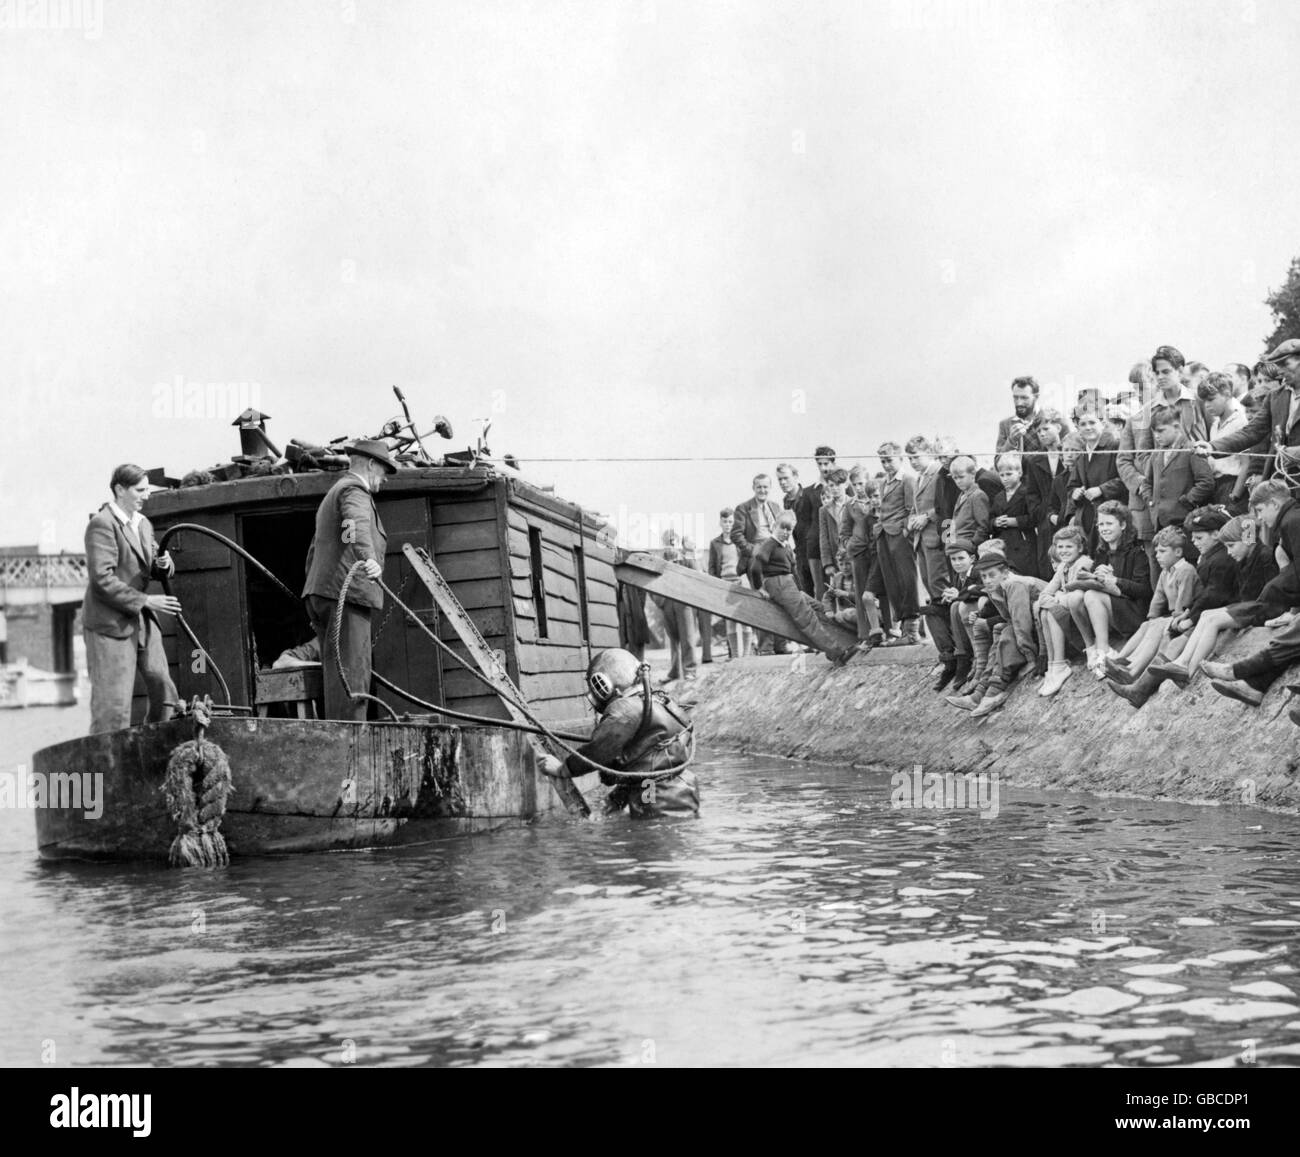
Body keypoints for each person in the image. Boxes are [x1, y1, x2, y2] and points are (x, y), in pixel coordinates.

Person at [538, 648, 699, 818]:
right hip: (684, 793)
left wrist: (563, 769)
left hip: (655, 800)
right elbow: (648, 765)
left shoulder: (625, 709)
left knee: (647, 839)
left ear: (603, 686)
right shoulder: (662, 702)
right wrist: (613, 802)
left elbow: (598, 751)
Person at [83, 463, 182, 734]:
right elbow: (102, 580)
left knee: (164, 689)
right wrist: (147, 601)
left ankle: (151, 754)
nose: (146, 495)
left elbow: (154, 564)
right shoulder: (101, 525)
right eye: (140, 490)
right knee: (113, 708)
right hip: (109, 624)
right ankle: (107, 771)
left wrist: (164, 563)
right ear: (119, 490)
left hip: (141, 621)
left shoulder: (143, 523)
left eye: (147, 489)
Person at [302, 438, 396, 721]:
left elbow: (317, 549)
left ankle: (342, 740)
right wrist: (368, 556)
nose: (384, 480)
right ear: (370, 465)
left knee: (338, 674)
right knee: (353, 674)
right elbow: (354, 522)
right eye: (383, 471)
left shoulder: (335, 492)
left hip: (326, 592)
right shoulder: (354, 490)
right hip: (347, 593)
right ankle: (351, 745)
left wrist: (316, 588)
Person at [1143, 514, 1277, 689]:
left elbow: (1271, 592)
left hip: (1262, 608)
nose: (1229, 552)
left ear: (1248, 539)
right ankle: (1182, 664)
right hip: (1249, 606)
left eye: (1231, 546)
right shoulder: (1243, 558)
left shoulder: (1265, 555)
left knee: (1213, 620)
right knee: (1206, 615)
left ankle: (1188, 670)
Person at [1102, 525, 1200, 707]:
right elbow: (1158, 597)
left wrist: (1172, 619)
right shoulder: (1165, 572)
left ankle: (1133, 669)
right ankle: (1120, 661)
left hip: (1183, 616)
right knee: (1146, 625)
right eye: (1156, 552)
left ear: (1178, 551)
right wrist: (1153, 616)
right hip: (1173, 616)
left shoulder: (1186, 570)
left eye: (1163, 551)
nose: (1157, 555)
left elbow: (1184, 599)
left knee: (1157, 627)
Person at [749, 512, 854, 664]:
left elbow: (793, 571)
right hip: (776, 582)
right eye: (782, 528)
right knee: (806, 618)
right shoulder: (770, 543)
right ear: (774, 527)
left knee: (819, 607)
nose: (785, 532)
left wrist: (800, 590)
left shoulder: (785, 547)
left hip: (788, 584)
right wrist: (760, 588)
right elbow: (755, 567)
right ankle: (836, 652)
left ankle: (848, 638)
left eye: (789, 529)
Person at [1066, 500, 1152, 678]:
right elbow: (1095, 581)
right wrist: (1095, 575)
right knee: (1077, 596)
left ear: (1123, 525)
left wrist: (1115, 580)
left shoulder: (1137, 552)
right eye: (1101, 524)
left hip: (1134, 613)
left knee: (1091, 595)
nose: (1104, 528)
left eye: (1109, 523)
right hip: (1112, 610)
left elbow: (1144, 590)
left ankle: (1104, 651)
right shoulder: (1102, 552)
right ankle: (1093, 648)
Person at [1035, 525, 1093, 696]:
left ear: (1079, 548)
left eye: (1069, 546)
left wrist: (1057, 596)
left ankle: (1059, 664)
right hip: (1070, 614)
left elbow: (1075, 594)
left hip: (1084, 619)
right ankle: (1053, 666)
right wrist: (1053, 597)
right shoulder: (1062, 566)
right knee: (1045, 611)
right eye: (1060, 547)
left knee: (1052, 611)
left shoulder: (1084, 563)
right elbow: (1046, 592)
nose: (1064, 551)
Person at [731, 473, 784, 655]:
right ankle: (766, 648)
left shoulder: (776, 507)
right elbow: (736, 535)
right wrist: (753, 550)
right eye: (759, 487)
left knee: (780, 598)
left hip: (776, 556)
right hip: (756, 560)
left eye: (766, 487)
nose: (762, 490)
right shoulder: (743, 508)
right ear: (754, 488)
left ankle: (781, 644)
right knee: (763, 601)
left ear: (770, 488)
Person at [919, 538, 981, 691]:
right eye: (953, 559)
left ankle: (964, 658)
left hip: (976, 613)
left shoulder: (977, 571)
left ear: (972, 558)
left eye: (961, 558)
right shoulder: (957, 575)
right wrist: (948, 597)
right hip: (962, 612)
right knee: (930, 612)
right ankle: (949, 660)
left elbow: (980, 590)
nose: (957, 563)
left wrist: (958, 595)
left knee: (955, 606)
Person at [874, 443, 921, 646]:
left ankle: (912, 631)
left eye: (889, 460)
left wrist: (904, 530)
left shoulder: (908, 479)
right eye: (883, 461)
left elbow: (912, 508)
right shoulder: (885, 482)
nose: (886, 465)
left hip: (900, 536)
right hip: (885, 535)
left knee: (906, 580)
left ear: (900, 459)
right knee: (893, 583)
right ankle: (903, 629)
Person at [1146, 405, 1216, 537]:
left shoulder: (1191, 449)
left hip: (1183, 522)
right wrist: (1151, 500)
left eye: (1161, 431)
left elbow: (1206, 482)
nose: (1156, 436)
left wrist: (1187, 501)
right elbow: (1147, 482)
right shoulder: (1156, 454)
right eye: (1154, 431)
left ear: (1177, 427)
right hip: (1160, 522)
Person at [1065, 408, 1124, 553]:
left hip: (1112, 515)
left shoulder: (1115, 445)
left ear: (1102, 423)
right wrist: (1075, 493)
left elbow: (1125, 478)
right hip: (1087, 517)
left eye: (1092, 422)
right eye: (1083, 424)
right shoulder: (1082, 452)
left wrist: (1101, 490)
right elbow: (1072, 485)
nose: (1088, 427)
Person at [649, 529, 699, 683]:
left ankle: (690, 669)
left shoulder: (687, 560)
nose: (670, 547)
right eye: (667, 544)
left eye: (673, 543)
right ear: (662, 545)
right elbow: (651, 584)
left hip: (683, 604)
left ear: (678, 544)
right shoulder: (658, 563)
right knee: (673, 638)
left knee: (687, 636)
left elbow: (698, 580)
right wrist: (661, 602)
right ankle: (675, 671)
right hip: (666, 603)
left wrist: (688, 599)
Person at [1198, 372, 1249, 509]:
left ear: (1226, 394)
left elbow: (1246, 463)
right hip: (1217, 484)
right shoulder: (1215, 424)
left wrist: (1235, 494)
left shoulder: (1240, 422)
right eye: (1204, 401)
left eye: (1211, 399)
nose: (1207, 405)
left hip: (1232, 483)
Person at [905, 436, 947, 600]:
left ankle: (950, 625)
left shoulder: (939, 473)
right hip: (921, 540)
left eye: (916, 456)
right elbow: (916, 507)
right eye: (910, 458)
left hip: (937, 538)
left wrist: (927, 517)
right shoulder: (919, 477)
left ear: (929, 453)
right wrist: (912, 519)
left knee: (939, 584)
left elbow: (945, 505)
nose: (913, 462)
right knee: (928, 583)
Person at [708, 508, 752, 660]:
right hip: (724, 584)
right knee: (730, 620)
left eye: (731, 522)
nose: (728, 525)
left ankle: (746, 655)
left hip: (740, 582)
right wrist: (716, 586)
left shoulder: (740, 541)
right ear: (720, 522)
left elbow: (748, 559)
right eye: (725, 522)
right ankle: (735, 655)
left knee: (745, 618)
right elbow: (712, 567)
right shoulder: (715, 543)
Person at [990, 451, 1039, 578]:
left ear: (1020, 473)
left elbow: (1035, 518)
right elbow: (990, 518)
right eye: (1001, 475)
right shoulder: (998, 497)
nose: (1005, 478)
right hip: (1004, 543)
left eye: (1009, 474)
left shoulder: (1028, 492)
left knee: (1023, 575)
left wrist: (1015, 521)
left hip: (1024, 542)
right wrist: (995, 522)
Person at [775, 462, 815, 597]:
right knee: (805, 593)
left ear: (796, 476)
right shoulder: (786, 501)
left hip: (814, 553)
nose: (783, 482)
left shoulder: (809, 495)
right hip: (800, 554)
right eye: (780, 479)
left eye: (786, 478)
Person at [945, 455, 991, 548]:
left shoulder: (978, 495)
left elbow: (983, 527)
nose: (958, 481)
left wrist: (972, 545)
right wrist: (948, 544)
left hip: (968, 547)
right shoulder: (961, 495)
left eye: (961, 477)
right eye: (955, 478)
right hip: (956, 546)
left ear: (973, 474)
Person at [996, 375, 1046, 453]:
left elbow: (1065, 458)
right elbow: (998, 460)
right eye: (1015, 398)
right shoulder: (1005, 424)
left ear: (1036, 397)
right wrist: (1011, 441)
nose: (1019, 403)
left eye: (1024, 398)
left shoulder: (1054, 421)